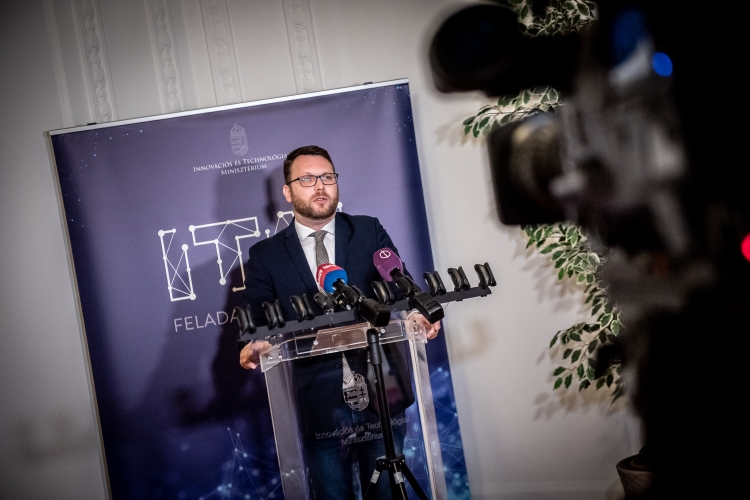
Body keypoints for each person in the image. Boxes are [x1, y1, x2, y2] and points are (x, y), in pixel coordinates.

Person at [239, 145, 440, 499]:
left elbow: (399, 285)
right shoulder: (265, 256)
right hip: (318, 403)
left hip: (382, 393)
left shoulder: (367, 230)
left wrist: (416, 315)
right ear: (287, 192)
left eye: (327, 177)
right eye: (307, 179)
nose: (320, 186)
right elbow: (257, 318)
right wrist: (255, 344)